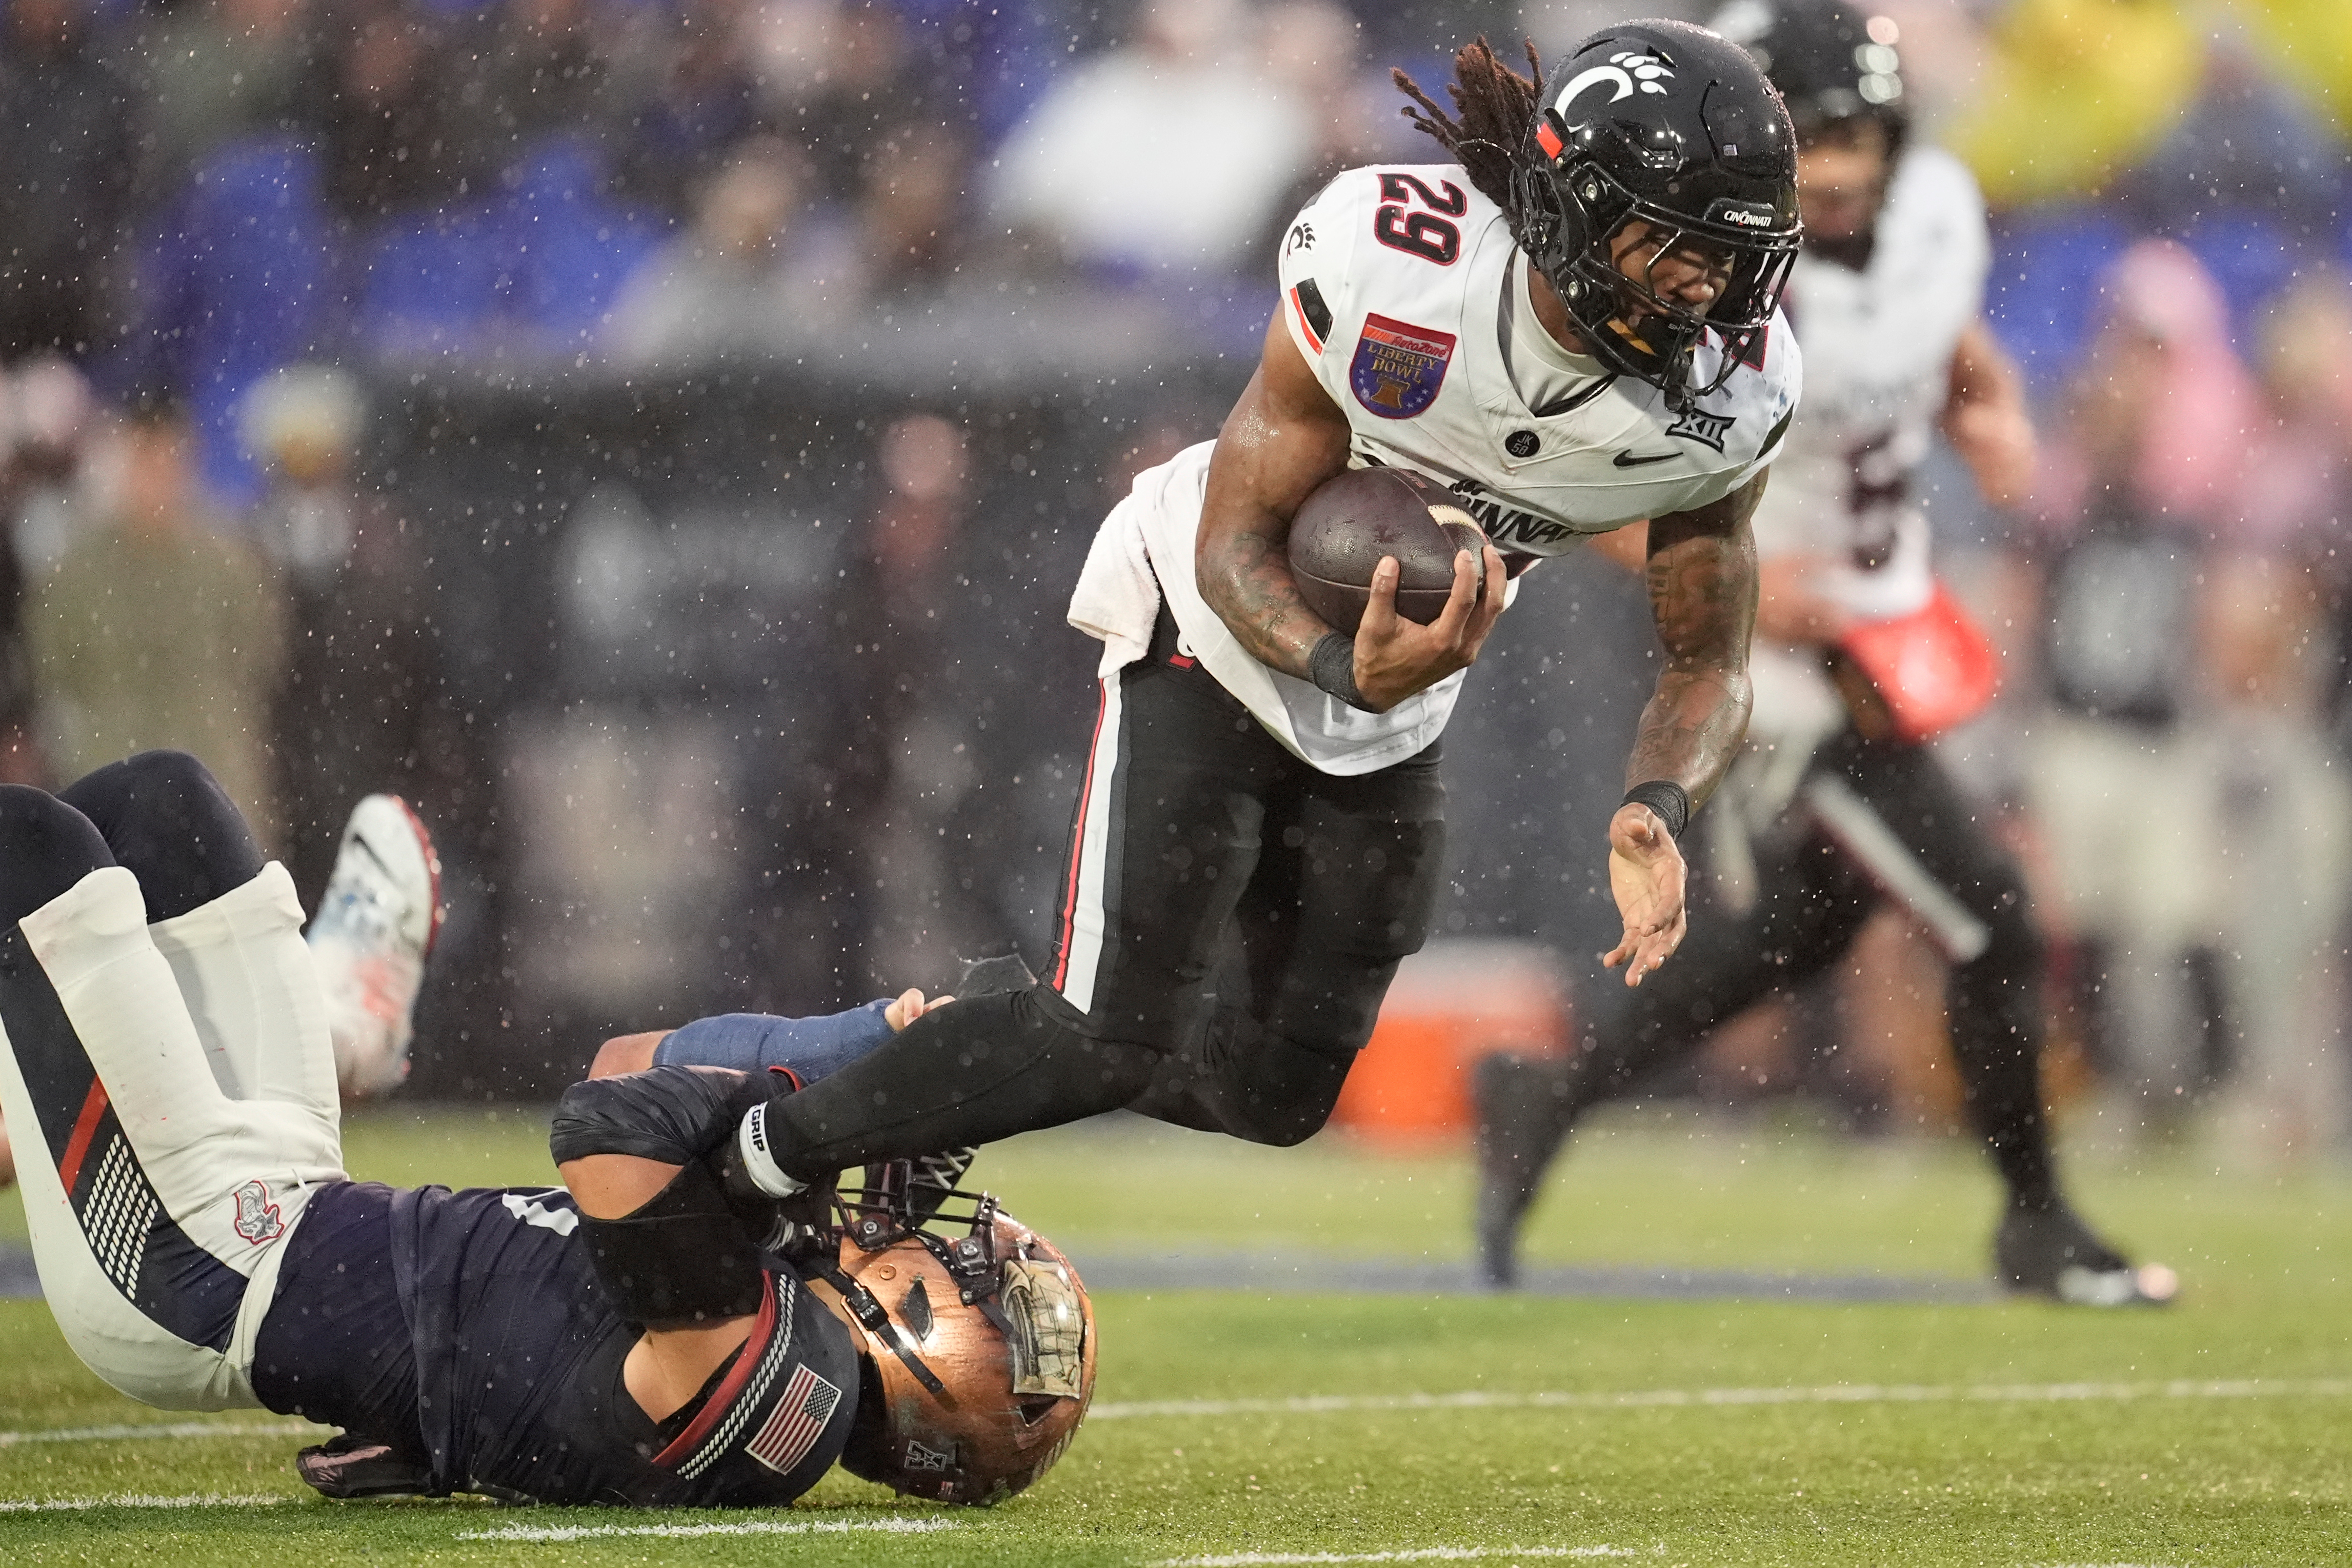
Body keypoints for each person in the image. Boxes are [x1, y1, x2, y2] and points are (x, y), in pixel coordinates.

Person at [676, 22, 1804, 1200]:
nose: (1708, 293)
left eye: (1737, 262)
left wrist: (1656, 803)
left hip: (1393, 693)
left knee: (1275, 1096)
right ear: (1573, 209)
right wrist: (1332, 657)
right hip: (1210, 630)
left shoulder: (1734, 396)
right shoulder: (1399, 264)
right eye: (1676, 249)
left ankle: (972, 1034)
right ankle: (748, 1154)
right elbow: (1231, 543)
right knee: (1107, 1034)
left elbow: (1705, 658)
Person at [1472, 0, 2169, 1306]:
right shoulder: (1693, 262)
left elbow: (1941, 345)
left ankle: (1545, 1093)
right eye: (1812, 135)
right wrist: (1741, 591)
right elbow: (1574, 480)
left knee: (1787, 938)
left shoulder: (1937, 212)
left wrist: (1992, 411)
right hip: (1777, 674)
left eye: (1861, 133)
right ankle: (2036, 1220)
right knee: (1991, 917)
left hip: (1889, 633)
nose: (1841, 165)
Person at [0, 750, 1085, 1505]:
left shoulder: (788, 1379)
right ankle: (347, 1030)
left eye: (959, 1273)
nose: (937, 1240)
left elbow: (604, 1123)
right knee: (165, 809)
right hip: (288, 1198)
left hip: (199, 1265)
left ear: (923, 1339)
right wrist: (864, 1054)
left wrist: (813, 1116)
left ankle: (343, 1021)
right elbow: (623, 1061)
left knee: (29, 848)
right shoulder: (772, 1300)